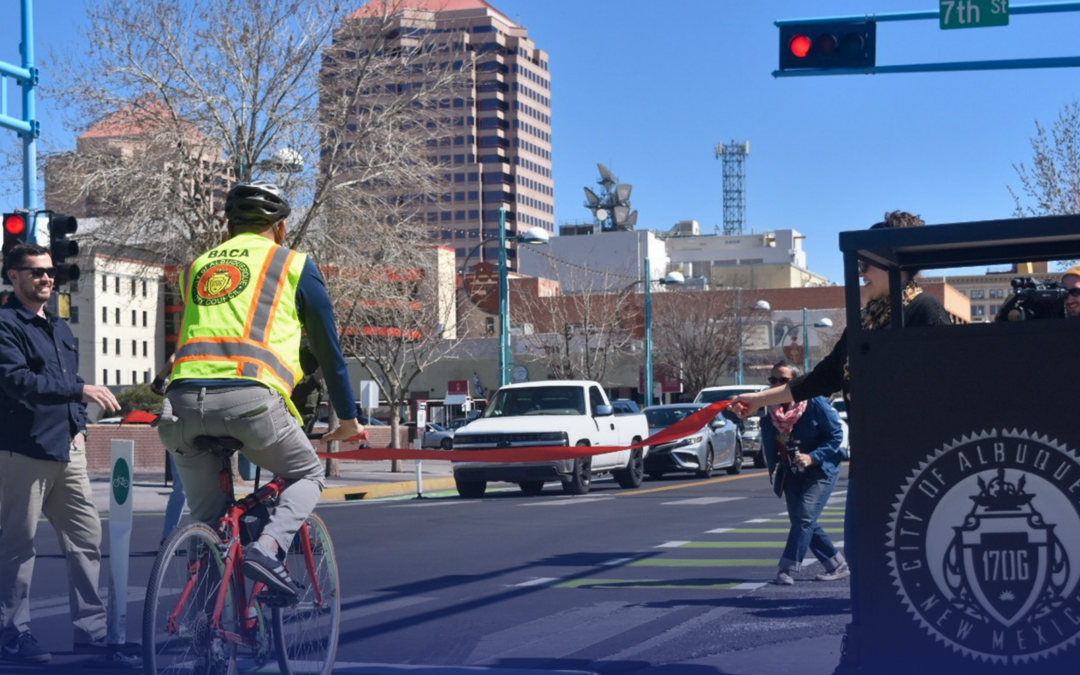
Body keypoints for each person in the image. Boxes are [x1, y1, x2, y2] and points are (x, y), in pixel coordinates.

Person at [730, 211, 951, 674]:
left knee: (913, 567)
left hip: (912, 466)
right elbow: (822, 378)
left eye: (868, 261)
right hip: (872, 464)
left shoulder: (925, 311)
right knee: (868, 566)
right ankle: (869, 654)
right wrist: (757, 400)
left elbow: (937, 393)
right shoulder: (867, 320)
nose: (860, 270)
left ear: (897, 263)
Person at [156, 181, 362, 599]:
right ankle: (267, 550)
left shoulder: (196, 267)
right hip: (250, 401)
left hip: (178, 407)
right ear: (281, 228)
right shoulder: (293, 264)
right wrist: (349, 419)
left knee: (211, 526)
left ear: (228, 226)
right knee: (307, 473)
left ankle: (206, 636)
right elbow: (329, 350)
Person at [0, 243, 121, 664]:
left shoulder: (60, 326)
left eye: (50, 272)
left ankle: (92, 633)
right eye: (35, 272)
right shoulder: (5, 325)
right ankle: (13, 634)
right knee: (19, 546)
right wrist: (79, 392)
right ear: (13, 276)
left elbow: (69, 379)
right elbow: (17, 382)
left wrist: (80, 427)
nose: (46, 278)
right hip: (23, 452)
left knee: (86, 539)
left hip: (67, 451)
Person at [760, 361, 847, 586]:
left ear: (796, 382)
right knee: (802, 519)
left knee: (805, 516)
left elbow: (836, 436)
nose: (777, 385)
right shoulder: (769, 408)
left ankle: (787, 568)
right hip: (791, 471)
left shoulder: (815, 402)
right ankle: (837, 564)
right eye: (773, 380)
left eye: (783, 380)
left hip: (822, 469)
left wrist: (812, 456)